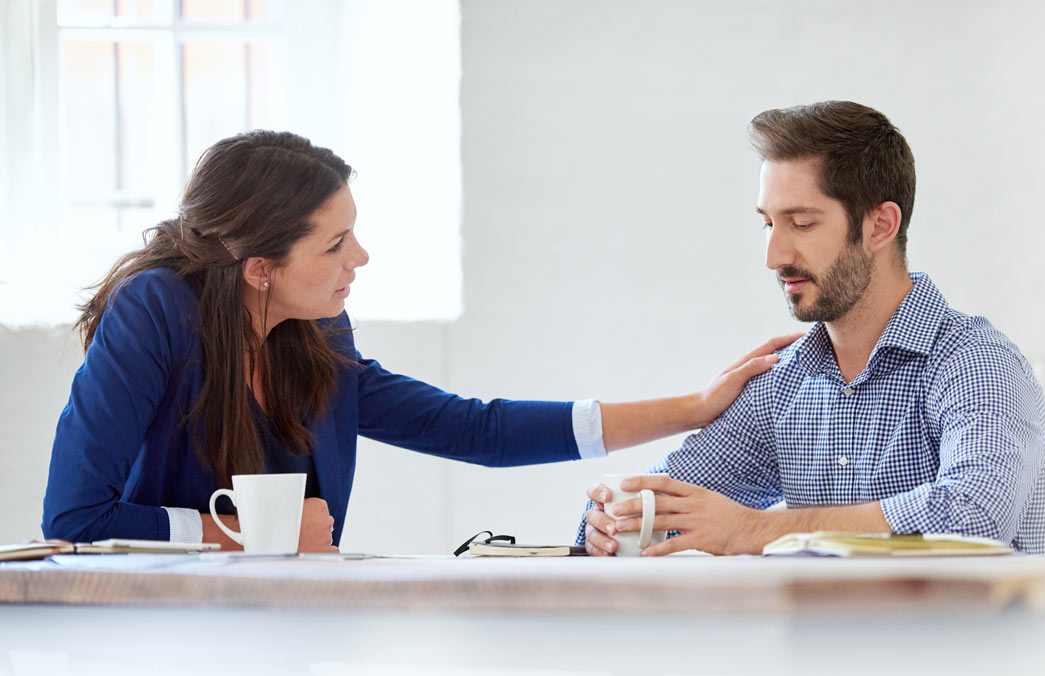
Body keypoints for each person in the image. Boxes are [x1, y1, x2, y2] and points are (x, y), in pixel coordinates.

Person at [42, 130, 796, 552]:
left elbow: (474, 427)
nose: (359, 258)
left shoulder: (312, 331)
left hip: (287, 633)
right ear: (261, 269)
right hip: (155, 641)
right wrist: (231, 531)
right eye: (336, 243)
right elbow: (72, 516)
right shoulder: (155, 312)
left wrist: (696, 407)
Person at [579, 101, 1045, 556]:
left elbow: (974, 515)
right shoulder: (781, 385)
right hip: (830, 644)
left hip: (980, 644)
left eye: (802, 223)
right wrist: (609, 521)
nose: (774, 256)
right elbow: (660, 502)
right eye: (768, 223)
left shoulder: (976, 362)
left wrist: (754, 529)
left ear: (879, 226)